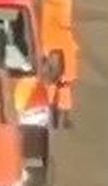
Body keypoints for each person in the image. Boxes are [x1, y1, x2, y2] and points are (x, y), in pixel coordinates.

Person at [39, 0, 80, 128]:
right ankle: (60, 114)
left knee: (54, 79)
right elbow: (63, 21)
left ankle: (53, 112)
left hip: (51, 39)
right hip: (59, 38)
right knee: (62, 80)